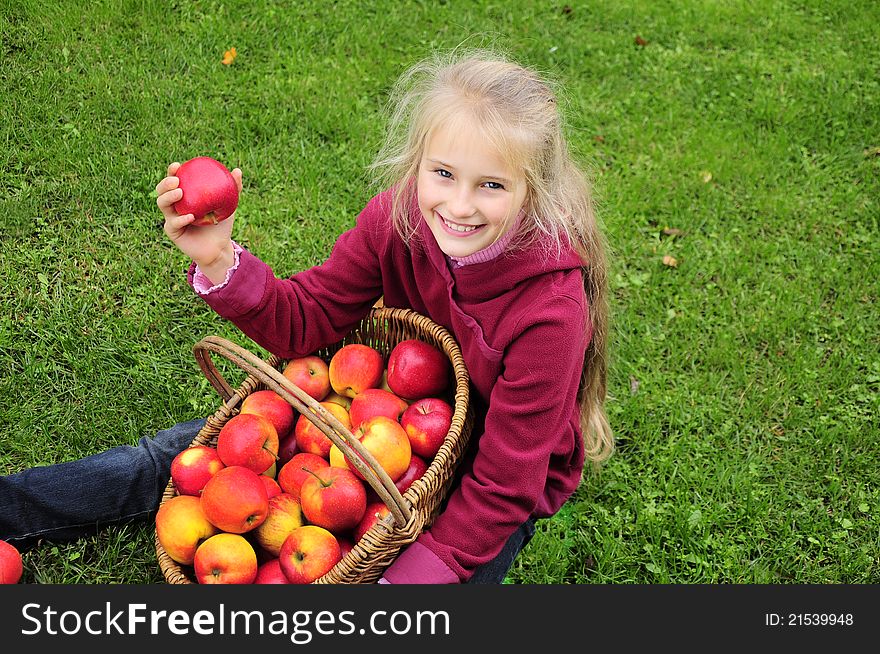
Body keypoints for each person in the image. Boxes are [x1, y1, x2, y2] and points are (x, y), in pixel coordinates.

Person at [0, 48, 613, 583]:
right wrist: (217, 258)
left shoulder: (549, 311)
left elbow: (506, 483)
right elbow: (310, 317)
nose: (458, 205)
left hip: (483, 473)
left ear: (535, 190)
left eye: (492, 186)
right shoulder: (397, 221)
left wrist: (412, 576)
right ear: (417, 162)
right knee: (175, 461)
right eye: (444, 174)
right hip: (370, 421)